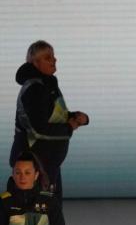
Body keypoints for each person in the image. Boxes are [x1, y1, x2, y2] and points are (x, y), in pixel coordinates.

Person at [10, 40, 89, 199]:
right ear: (35, 63)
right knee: (37, 209)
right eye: (48, 57)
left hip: (46, 163)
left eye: (53, 56)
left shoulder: (46, 84)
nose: (54, 60)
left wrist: (75, 116)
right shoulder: (35, 88)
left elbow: (53, 115)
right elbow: (39, 129)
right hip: (33, 165)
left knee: (51, 209)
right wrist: (69, 127)